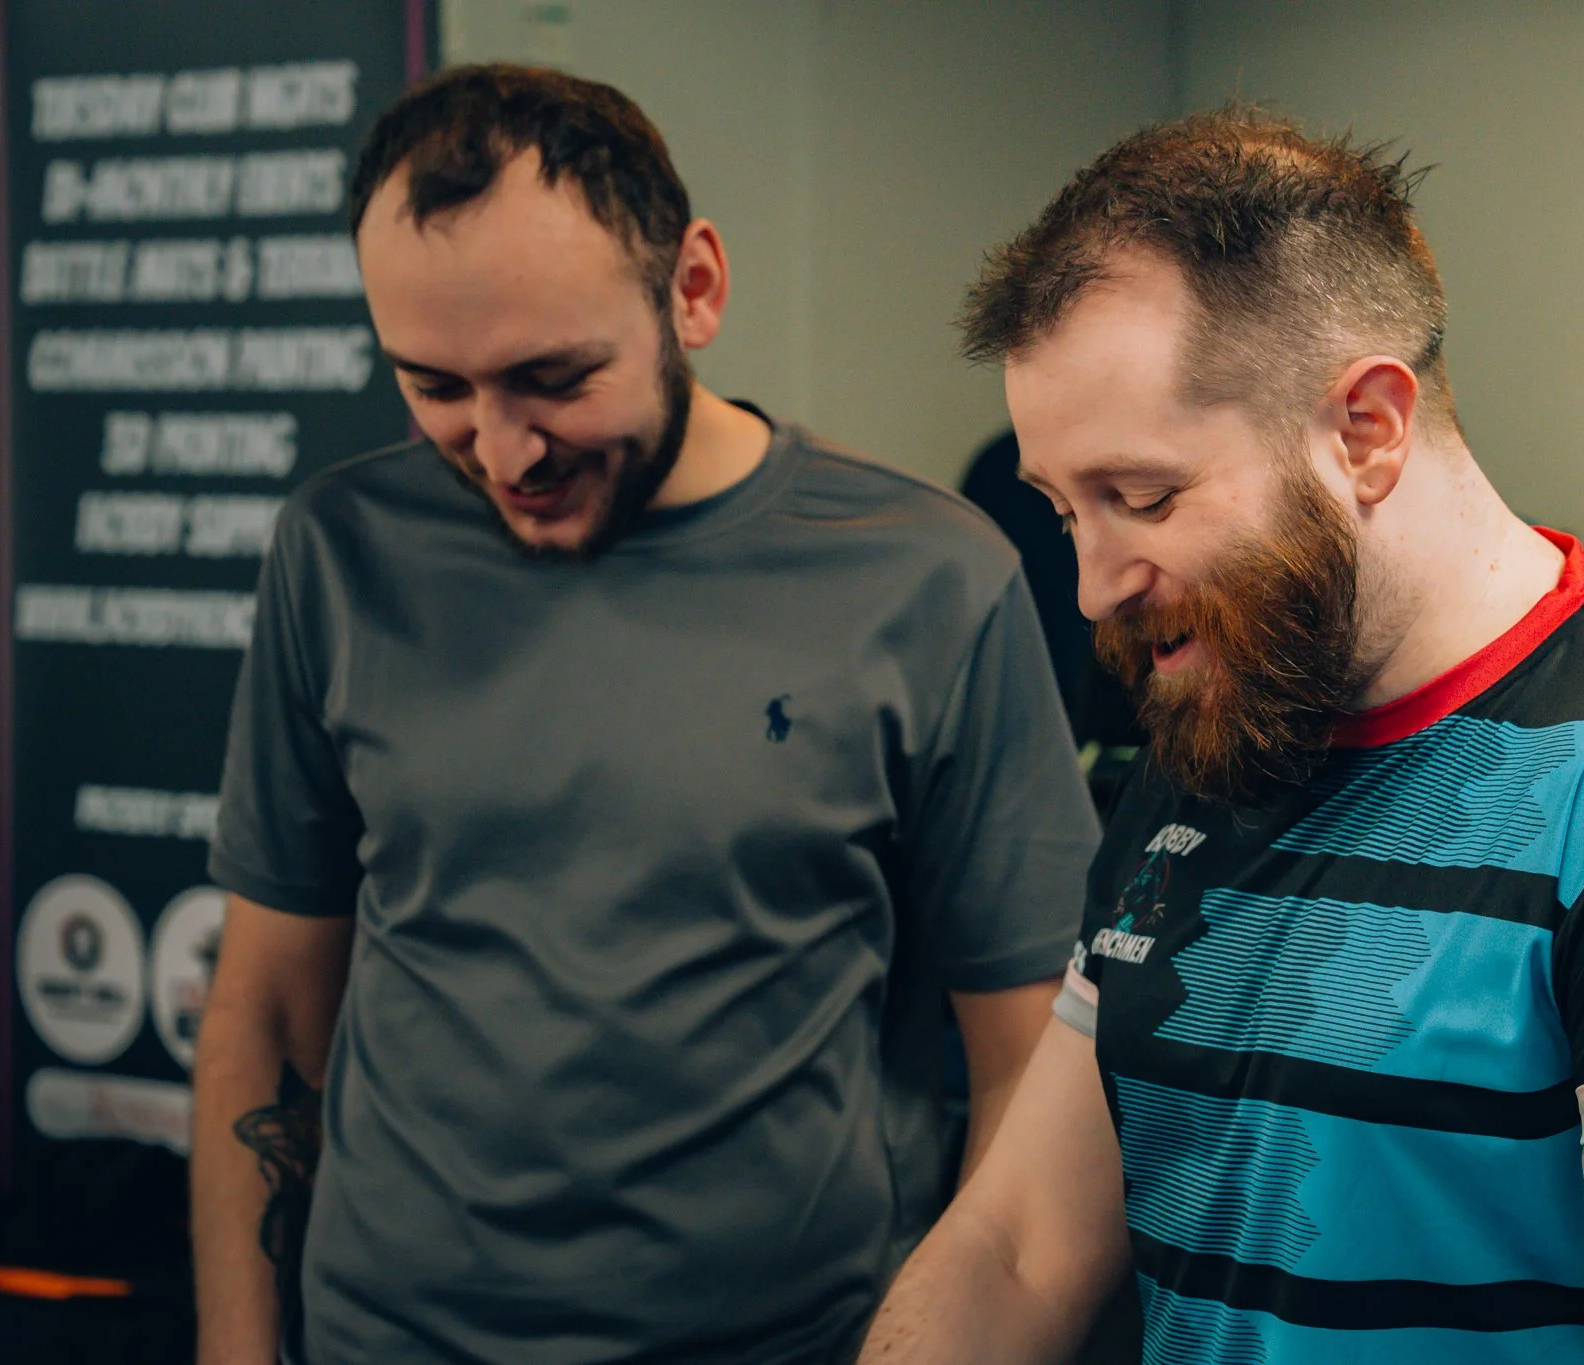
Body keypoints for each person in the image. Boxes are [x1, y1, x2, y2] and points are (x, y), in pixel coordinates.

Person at [859, 109, 1584, 1365]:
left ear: (1365, 430)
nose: (1091, 588)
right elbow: (1020, 1242)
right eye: (1063, 509)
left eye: (1142, 498)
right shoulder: (1214, 739)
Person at [190, 65, 1098, 1365]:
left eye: (554, 377)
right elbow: (269, 1011)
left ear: (695, 289)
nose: (504, 451)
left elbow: (1026, 1071)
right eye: (435, 386)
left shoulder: (930, 578)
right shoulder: (340, 549)